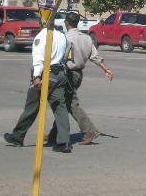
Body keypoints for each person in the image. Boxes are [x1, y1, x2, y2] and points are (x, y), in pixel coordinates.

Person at [47, 11, 113, 146]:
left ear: (66, 23)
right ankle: (54, 134)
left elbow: (59, 57)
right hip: (78, 74)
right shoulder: (86, 38)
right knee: (64, 103)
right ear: (77, 23)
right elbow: (94, 56)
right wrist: (106, 69)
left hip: (68, 74)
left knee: (70, 104)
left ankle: (90, 131)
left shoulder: (65, 37)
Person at [3, 26, 72, 153]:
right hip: (60, 73)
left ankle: (17, 136)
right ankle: (64, 142)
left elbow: (39, 58)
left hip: (46, 74)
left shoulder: (42, 36)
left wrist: (36, 77)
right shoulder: (62, 36)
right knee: (60, 107)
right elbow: (67, 52)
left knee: (32, 106)